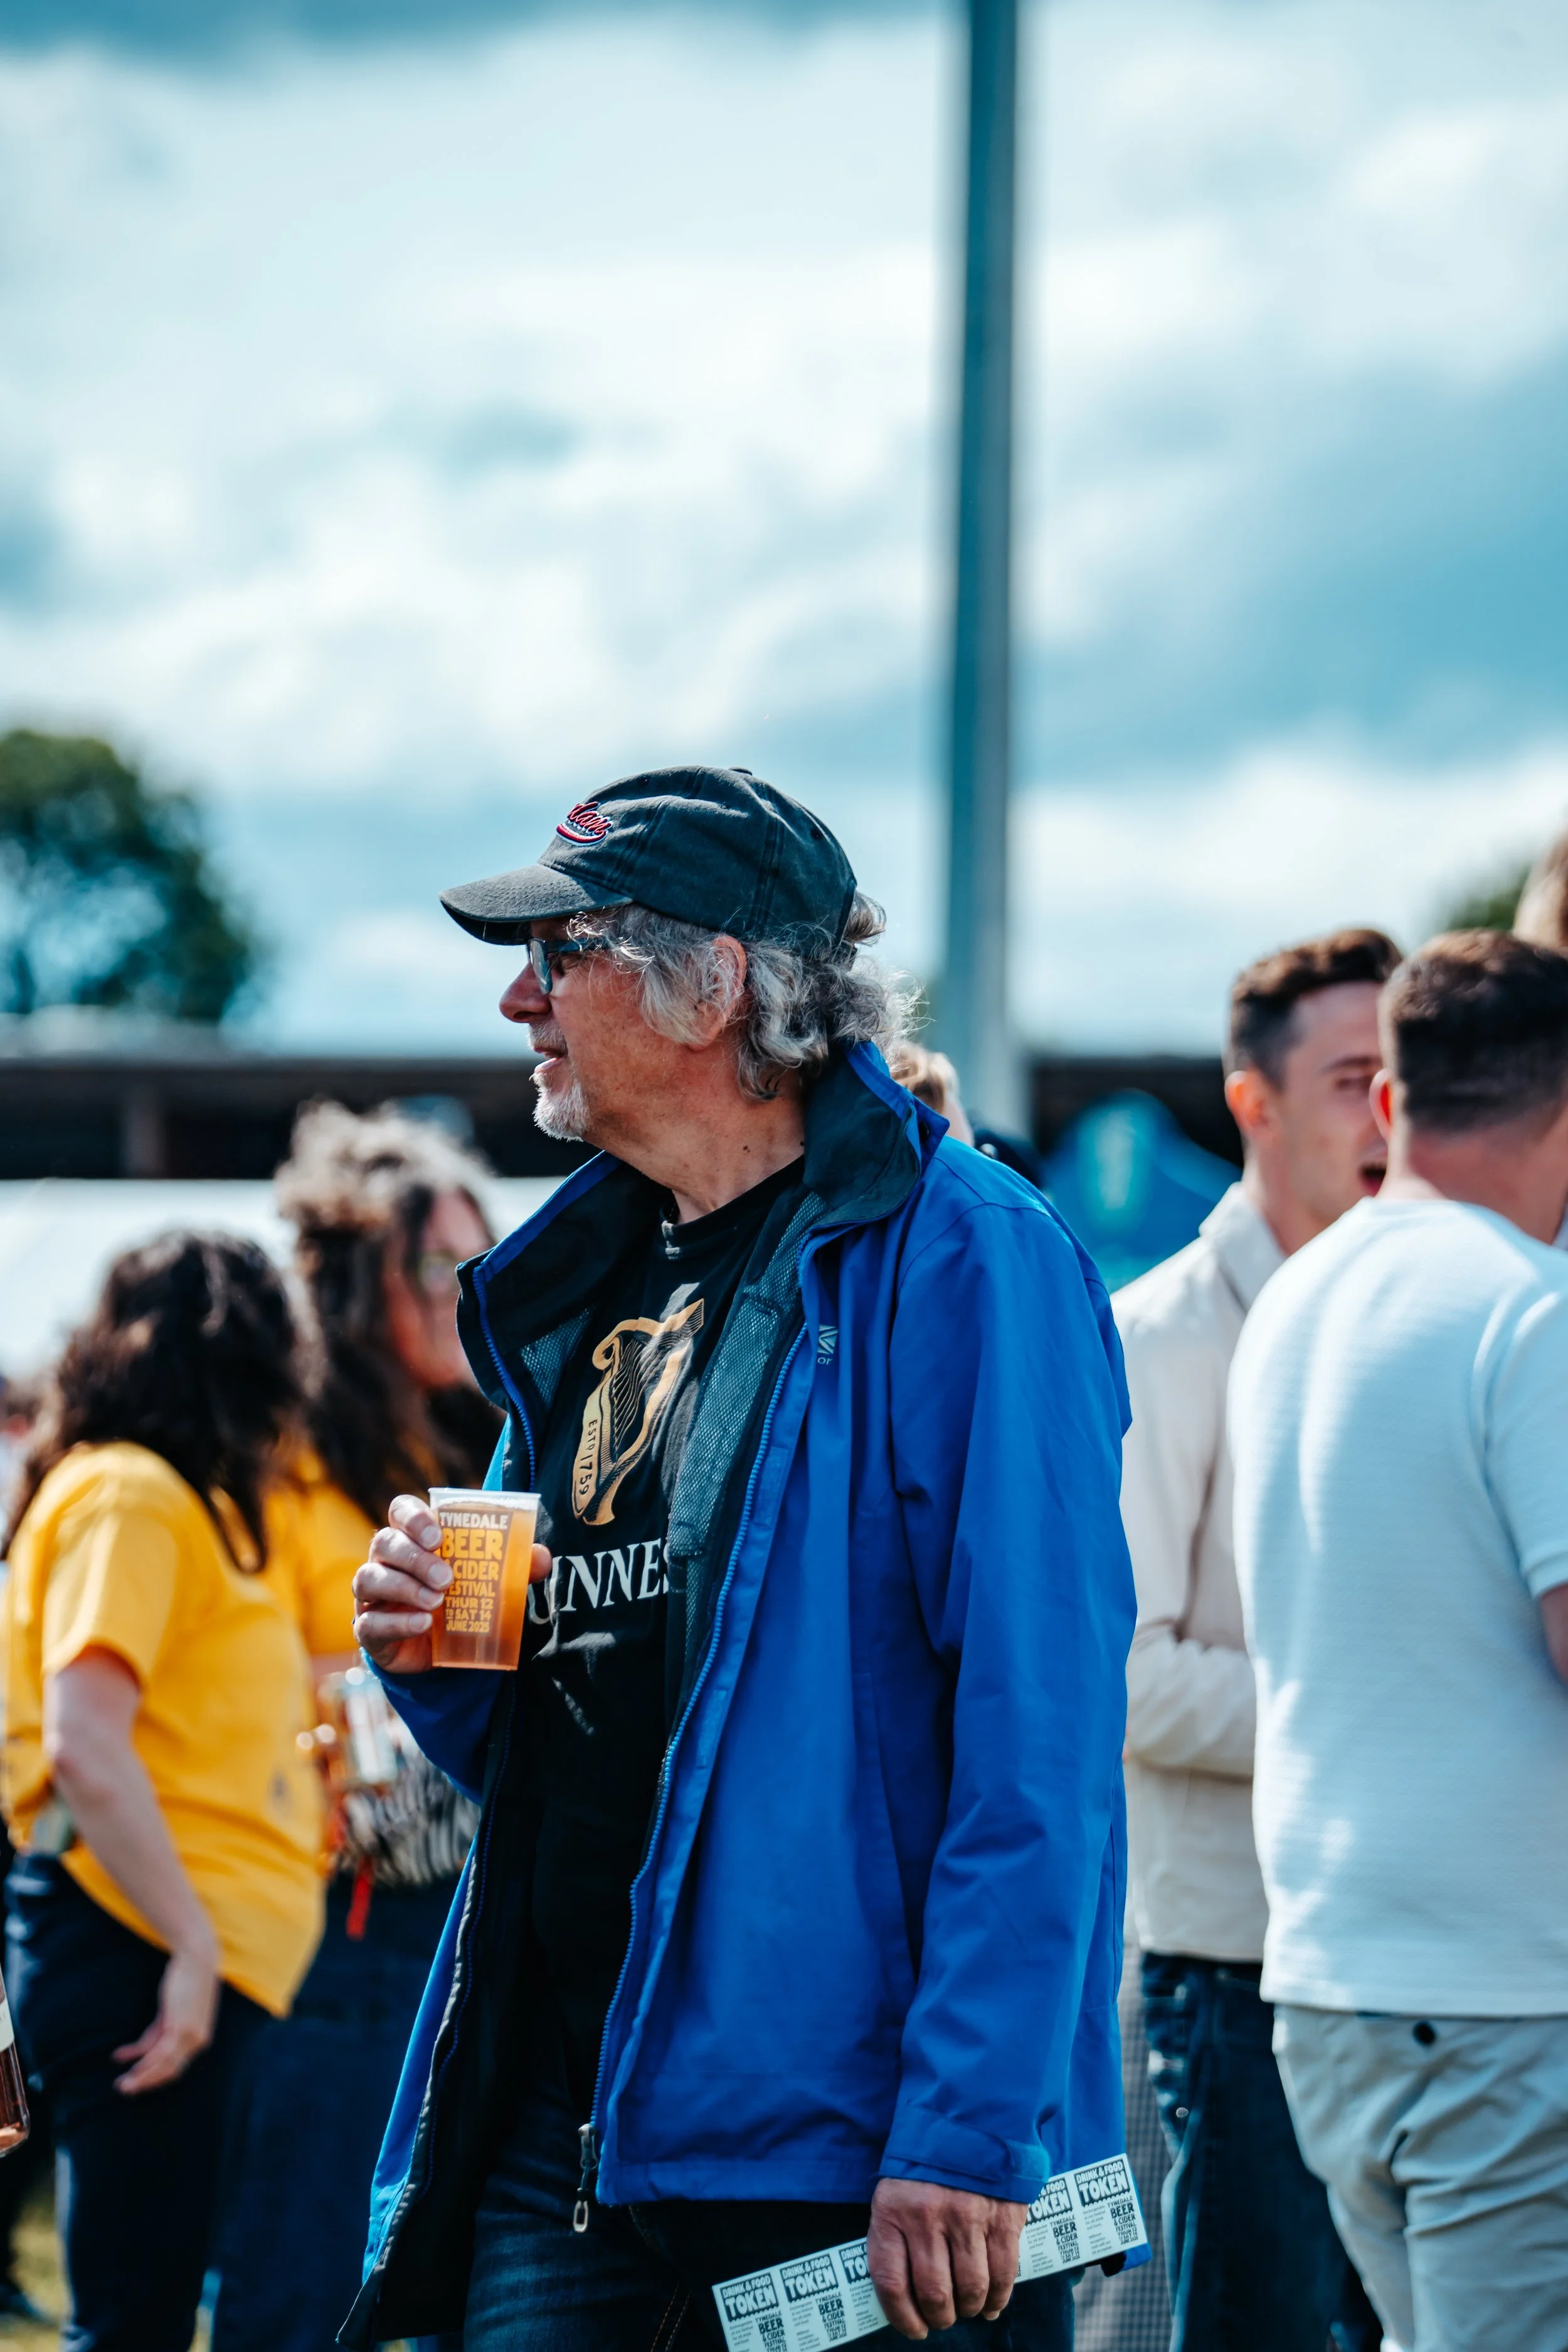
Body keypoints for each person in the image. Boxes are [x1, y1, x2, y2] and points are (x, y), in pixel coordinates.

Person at [346, 766, 1136, 2350]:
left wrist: (967, 2131)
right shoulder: (580, 1274)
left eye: (556, 952)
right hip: (550, 2134)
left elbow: (1036, 1738)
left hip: (845, 2165)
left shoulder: (967, 1252)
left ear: (708, 987)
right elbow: (568, 1716)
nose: (517, 999)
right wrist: (432, 1653)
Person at [1231, 931, 1568, 2352]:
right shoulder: (1526, 1312)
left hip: (1330, 1983)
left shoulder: (1295, 1302)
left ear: (1390, 1105)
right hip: (1499, 1991)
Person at [1113, 929, 1399, 2352]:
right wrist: (1379, 1718)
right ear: (1251, 1102)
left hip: (1408, 1964)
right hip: (1233, 1978)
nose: (1387, 1115)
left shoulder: (1418, 1322)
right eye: (1353, 1077)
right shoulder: (1154, 1338)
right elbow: (1120, 1676)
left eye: (1404, 1077)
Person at [213, 1104, 503, 2352]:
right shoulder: (273, 1466)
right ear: (352, 1286)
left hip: (473, 1915)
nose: (459, 1291)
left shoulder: (497, 1457)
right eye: (430, 1265)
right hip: (328, 1927)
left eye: (474, 1262)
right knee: (300, 2285)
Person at [0, 1234, 323, 2352]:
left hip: (175, 1944)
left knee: (151, 2308)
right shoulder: (129, 1493)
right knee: (134, 2322)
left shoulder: (170, 1500)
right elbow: (87, 1744)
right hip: (140, 1938)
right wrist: (188, 1945)